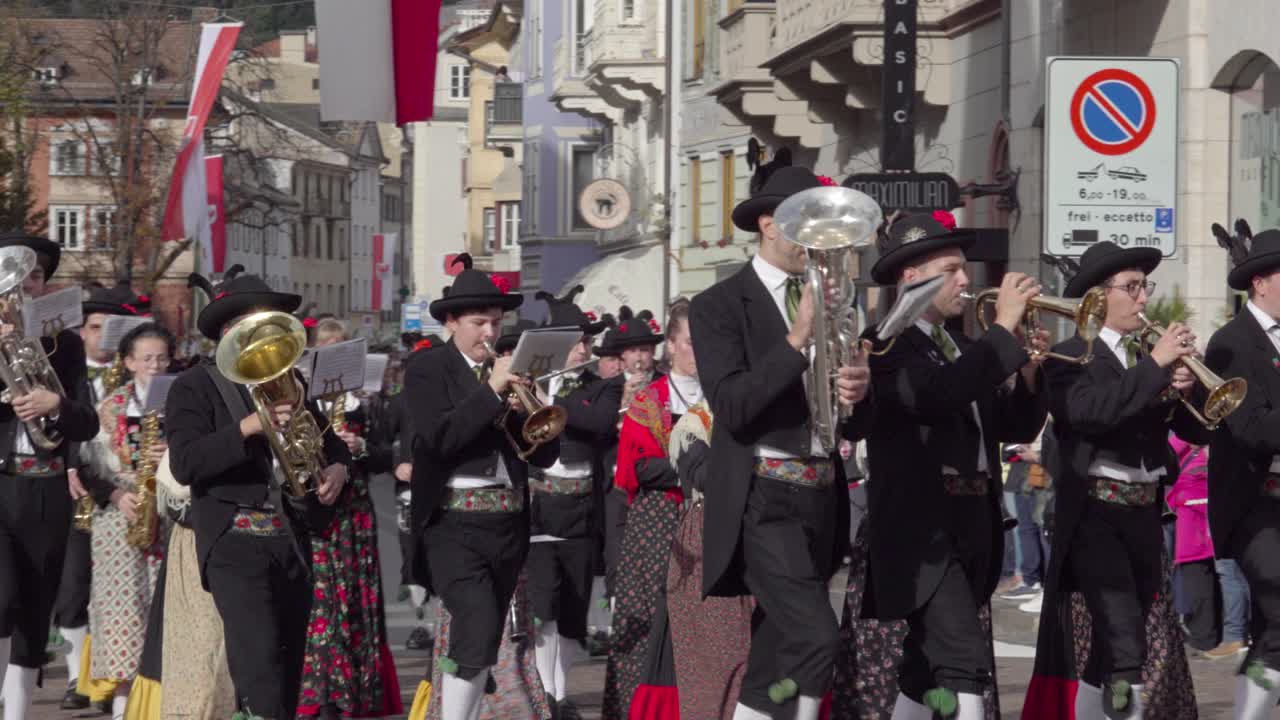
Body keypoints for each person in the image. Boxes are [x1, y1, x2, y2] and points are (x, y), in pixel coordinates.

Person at [690, 163, 874, 720]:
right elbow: (734, 407)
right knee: (818, 636)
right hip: (763, 496)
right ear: (770, 224)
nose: (820, 244)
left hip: (820, 491)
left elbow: (853, 424)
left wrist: (861, 391)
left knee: (777, 652)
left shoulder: (838, 302)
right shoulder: (719, 304)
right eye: (807, 227)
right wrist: (798, 337)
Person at [1024, 241, 1203, 719]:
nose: (1144, 297)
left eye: (1145, 286)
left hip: (1144, 512)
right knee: (1126, 648)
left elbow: (1193, 428)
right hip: (1095, 513)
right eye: (1132, 287)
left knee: (1113, 649)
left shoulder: (1144, 358)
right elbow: (1092, 413)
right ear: (1100, 299)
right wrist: (1157, 369)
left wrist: (1189, 387)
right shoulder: (1069, 356)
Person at [167, 267, 351, 719]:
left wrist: (341, 468)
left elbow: (329, 442)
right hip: (235, 538)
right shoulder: (194, 385)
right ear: (229, 330)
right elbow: (186, 462)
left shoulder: (292, 383)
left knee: (289, 671)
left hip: (291, 537)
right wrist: (250, 427)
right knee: (259, 666)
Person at [404, 254, 558, 720]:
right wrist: (491, 392)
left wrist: (534, 409)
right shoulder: (428, 369)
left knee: (487, 637)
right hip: (453, 521)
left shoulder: (510, 371)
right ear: (451, 322)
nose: (490, 333)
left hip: (508, 522)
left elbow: (546, 456)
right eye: (478, 323)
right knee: (476, 622)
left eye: (495, 322)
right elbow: (437, 439)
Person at [0, 231, 100, 718]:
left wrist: (55, 403)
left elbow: (88, 421)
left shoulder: (66, 343)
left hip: (45, 488)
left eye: (35, 277)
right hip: (1, 484)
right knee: (1, 598)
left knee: (34, 614)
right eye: (16, 277)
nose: (24, 287)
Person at [296, 318, 401, 718]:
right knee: (322, 600)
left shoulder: (366, 401)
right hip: (320, 509)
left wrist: (359, 449)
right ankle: (322, 691)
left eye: (342, 346)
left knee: (358, 598)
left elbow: (387, 455)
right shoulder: (305, 398)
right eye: (328, 347)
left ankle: (358, 689)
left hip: (355, 512)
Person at [57, 285, 151, 711]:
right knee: (74, 588)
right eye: (95, 328)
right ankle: (78, 674)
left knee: (125, 595)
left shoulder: (135, 378)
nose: (102, 337)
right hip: (76, 489)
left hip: (122, 495)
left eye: (112, 329)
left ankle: (115, 682)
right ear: (83, 330)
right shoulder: (68, 371)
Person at [526, 289, 619, 716]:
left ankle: (559, 687)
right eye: (579, 341)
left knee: (574, 608)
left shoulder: (599, 387)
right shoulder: (529, 385)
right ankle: (553, 693)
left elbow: (598, 423)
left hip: (582, 509)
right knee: (544, 605)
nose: (586, 348)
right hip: (541, 507)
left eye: (586, 341)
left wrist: (551, 402)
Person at [75, 322, 174, 720]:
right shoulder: (111, 405)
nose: (154, 365)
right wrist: (117, 494)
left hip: (167, 513)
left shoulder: (181, 404)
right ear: (130, 362)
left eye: (162, 358)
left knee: (164, 609)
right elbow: (88, 465)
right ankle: (121, 704)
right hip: (120, 516)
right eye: (146, 358)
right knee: (122, 612)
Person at [1204, 227, 1280, 716]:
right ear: (1260, 283)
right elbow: (1254, 431)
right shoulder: (1230, 343)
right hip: (1256, 505)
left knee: (1273, 627)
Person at [600, 304, 687, 719]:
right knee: (646, 617)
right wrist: (690, 468)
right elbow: (633, 468)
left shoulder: (723, 394)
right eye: (689, 342)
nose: (698, 350)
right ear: (671, 345)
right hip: (656, 521)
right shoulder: (652, 398)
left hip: (710, 518)